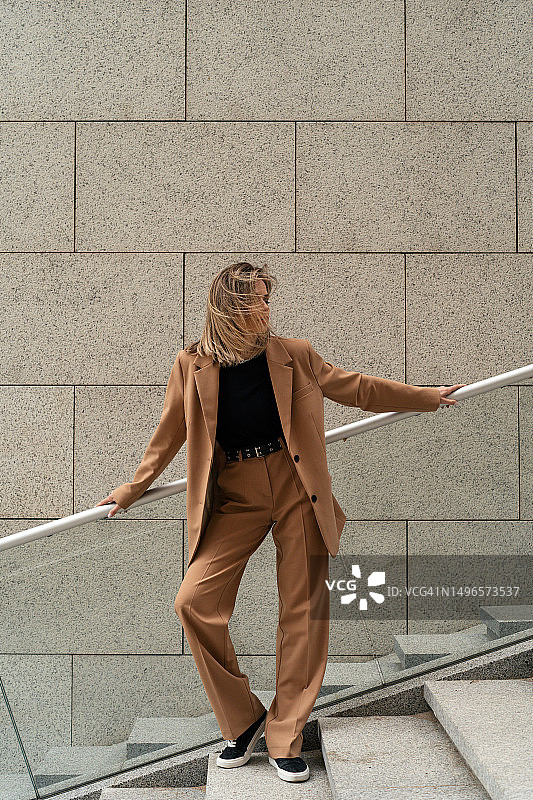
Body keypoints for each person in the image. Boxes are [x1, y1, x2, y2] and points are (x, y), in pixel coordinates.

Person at [97, 262, 465, 783]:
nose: (268, 309)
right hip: (236, 498)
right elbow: (170, 433)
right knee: (194, 603)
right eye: (258, 300)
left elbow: (355, 388)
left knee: (302, 614)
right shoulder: (192, 365)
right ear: (230, 307)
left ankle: (286, 732)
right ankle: (243, 720)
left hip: (299, 491)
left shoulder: (295, 355)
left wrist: (425, 396)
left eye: (269, 299)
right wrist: (133, 488)